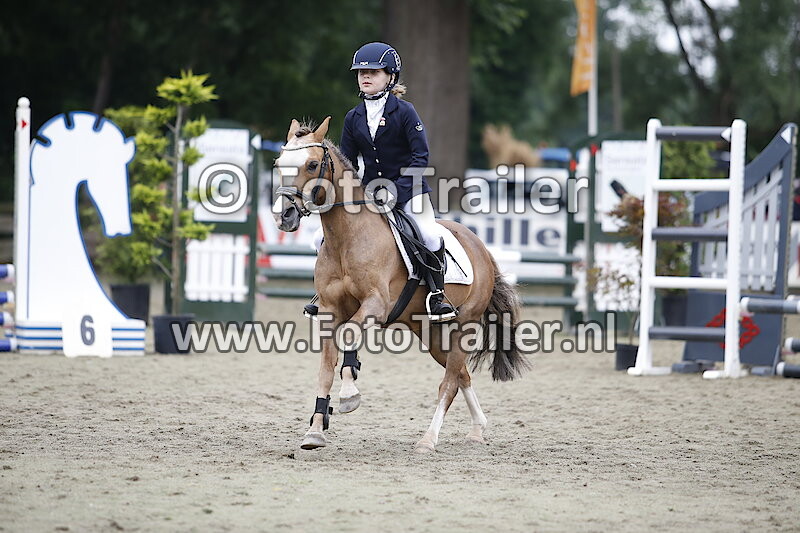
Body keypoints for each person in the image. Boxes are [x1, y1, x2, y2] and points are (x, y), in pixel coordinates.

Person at [304, 41, 456, 322]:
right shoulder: (354, 117)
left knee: (430, 235)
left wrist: (398, 191)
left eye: (373, 71)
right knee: (319, 237)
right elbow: (346, 163)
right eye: (361, 72)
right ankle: (326, 293)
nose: (365, 76)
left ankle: (437, 295)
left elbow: (420, 156)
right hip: (368, 193)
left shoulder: (405, 112)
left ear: (391, 77)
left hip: (409, 190)